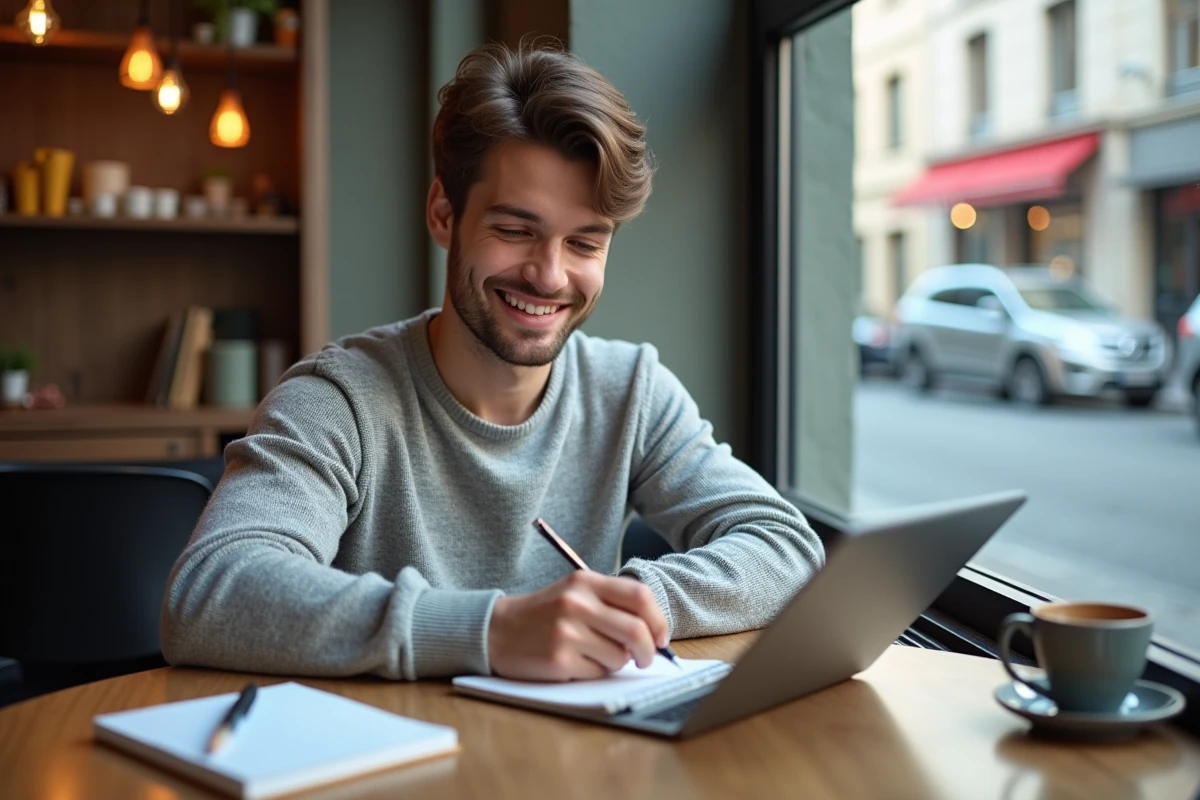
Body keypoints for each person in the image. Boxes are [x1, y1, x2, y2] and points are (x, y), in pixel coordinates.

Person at [161, 42, 824, 683]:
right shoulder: (337, 398)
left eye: (585, 243)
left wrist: (623, 608)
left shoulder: (631, 391)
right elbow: (211, 590)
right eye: (515, 230)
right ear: (444, 214)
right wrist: (492, 630)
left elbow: (785, 546)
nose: (549, 275)